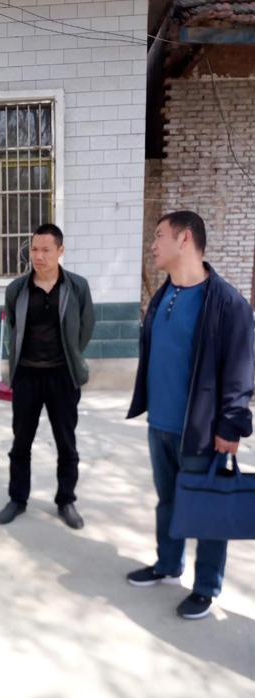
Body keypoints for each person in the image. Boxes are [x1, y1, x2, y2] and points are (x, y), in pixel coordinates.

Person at [126, 210, 254, 619]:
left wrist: (231, 425)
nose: (152, 245)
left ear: (184, 239)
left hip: (200, 430)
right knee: (168, 502)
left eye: (159, 236)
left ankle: (206, 588)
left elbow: (240, 370)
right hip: (160, 424)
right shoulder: (164, 294)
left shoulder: (227, 303)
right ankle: (168, 565)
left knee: (208, 509)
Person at [0, 223, 95, 528]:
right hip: (27, 376)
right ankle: (17, 499)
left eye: (46, 250)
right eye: (34, 249)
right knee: (21, 442)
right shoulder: (17, 289)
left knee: (66, 443)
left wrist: (71, 356)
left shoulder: (77, 287)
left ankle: (66, 500)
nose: (38, 256)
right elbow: (13, 329)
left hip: (62, 377)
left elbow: (86, 326)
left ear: (60, 251)